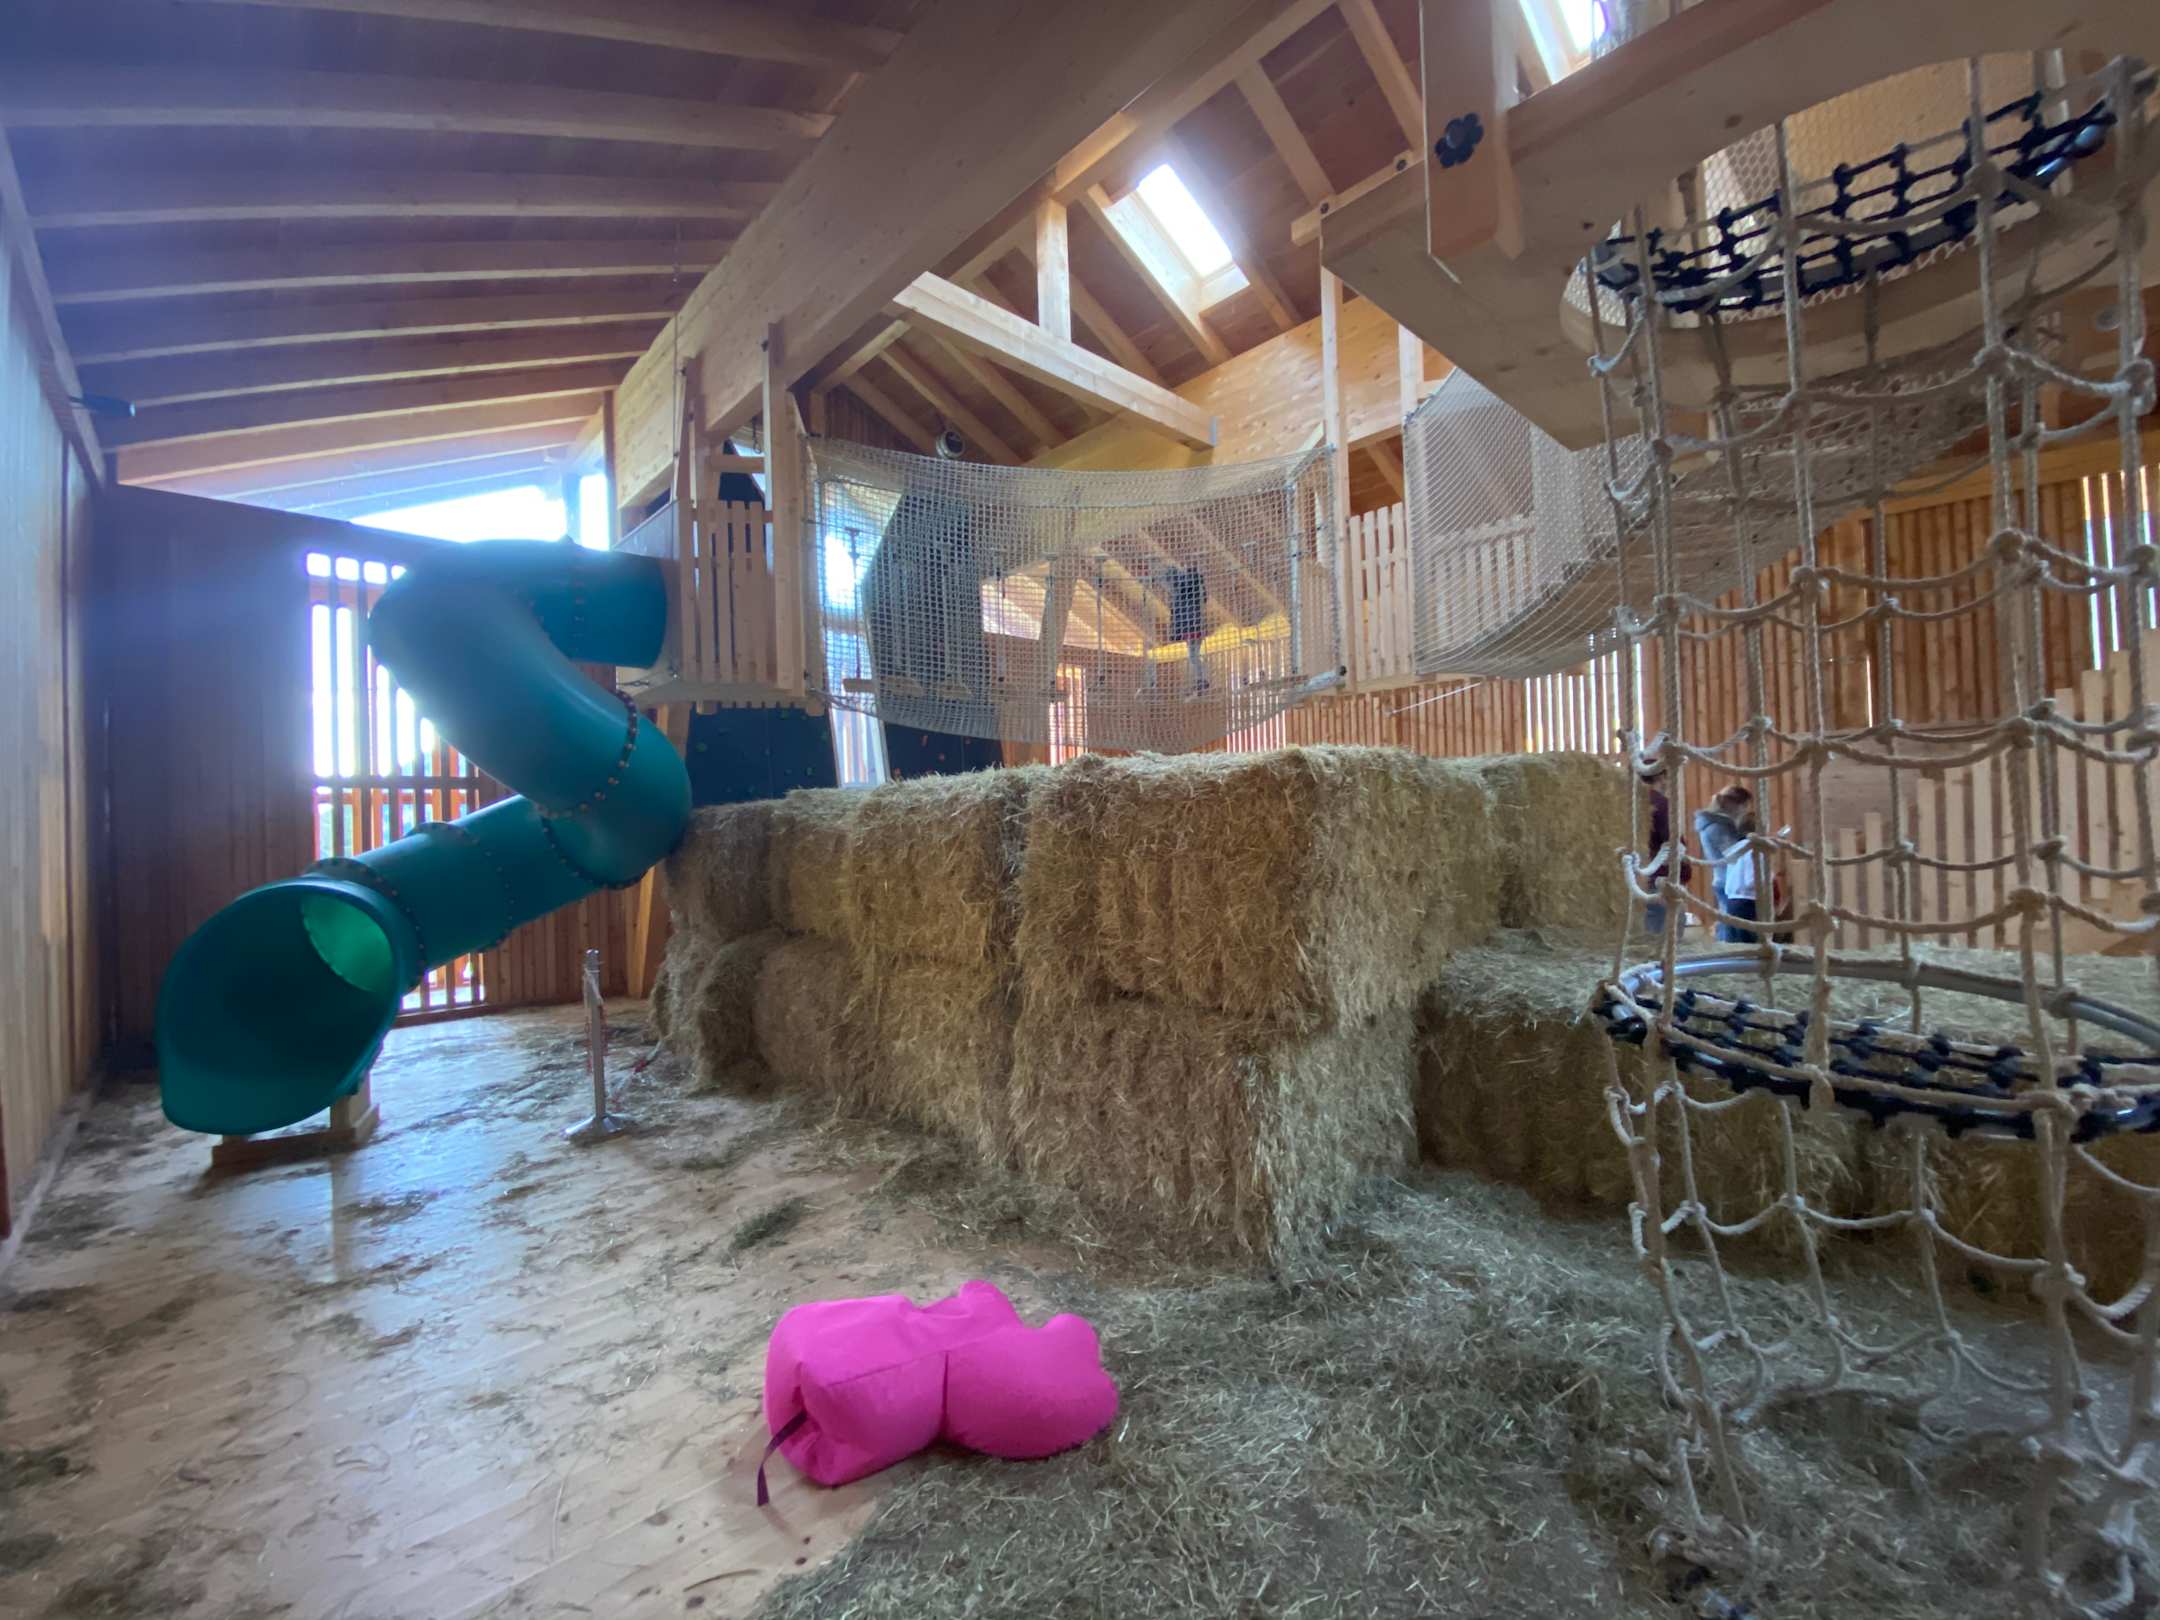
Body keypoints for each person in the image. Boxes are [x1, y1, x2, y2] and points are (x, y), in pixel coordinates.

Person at [1695, 784, 1759, 943]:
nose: (1744, 811)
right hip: (1730, 881)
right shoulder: (1718, 826)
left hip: (1724, 878)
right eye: (1744, 806)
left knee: (1727, 924)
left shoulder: (1712, 824)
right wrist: (1752, 842)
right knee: (1731, 929)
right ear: (1736, 804)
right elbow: (1734, 854)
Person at [1638, 763, 1691, 938]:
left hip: (1637, 877)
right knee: (1667, 936)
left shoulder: (1629, 804)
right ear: (1660, 777)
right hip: (1661, 878)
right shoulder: (1660, 804)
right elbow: (1673, 842)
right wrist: (1684, 871)